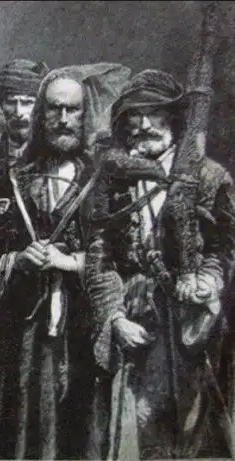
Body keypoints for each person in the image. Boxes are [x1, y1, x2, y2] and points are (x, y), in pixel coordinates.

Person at [0, 63, 130, 459]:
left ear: (85, 114)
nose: (63, 119)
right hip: (22, 335)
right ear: (41, 114)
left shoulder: (104, 182)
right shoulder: (10, 180)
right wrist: (18, 261)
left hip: (81, 331)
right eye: (54, 108)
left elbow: (124, 257)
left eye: (72, 110)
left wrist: (71, 262)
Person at [85, 69, 235, 459]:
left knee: (195, 432)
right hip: (135, 319)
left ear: (174, 118)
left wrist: (208, 280)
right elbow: (98, 256)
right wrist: (114, 318)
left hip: (192, 325)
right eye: (134, 116)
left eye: (154, 113)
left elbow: (224, 247)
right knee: (133, 433)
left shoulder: (210, 177)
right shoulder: (112, 178)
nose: (144, 125)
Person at [0, 58, 50, 199]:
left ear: (40, 106)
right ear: (1, 105)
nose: (18, 112)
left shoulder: (51, 155)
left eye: (27, 103)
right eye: (11, 102)